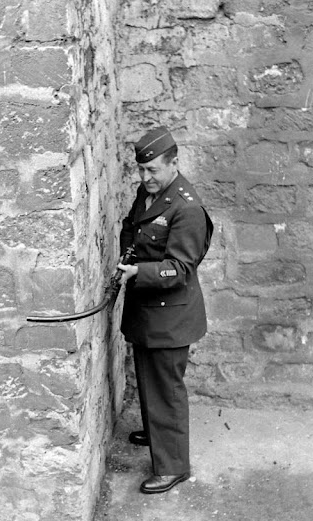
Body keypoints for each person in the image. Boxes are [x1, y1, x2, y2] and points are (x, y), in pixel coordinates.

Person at [117, 126, 213, 494]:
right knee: (149, 378)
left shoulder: (187, 208)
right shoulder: (150, 192)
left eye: (153, 170)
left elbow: (181, 268)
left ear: (174, 164)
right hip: (148, 309)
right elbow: (132, 228)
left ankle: (173, 466)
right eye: (141, 170)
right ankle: (159, 432)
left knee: (166, 389)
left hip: (170, 315)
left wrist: (138, 272)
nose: (145, 178)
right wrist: (128, 256)